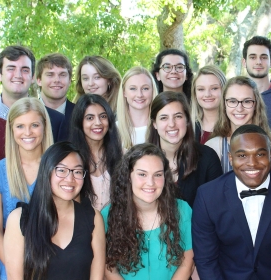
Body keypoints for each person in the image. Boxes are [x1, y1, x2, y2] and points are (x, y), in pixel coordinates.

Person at [193, 124, 271, 279]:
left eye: (260, 154)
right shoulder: (207, 196)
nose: (252, 163)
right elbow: (206, 260)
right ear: (231, 158)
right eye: (242, 155)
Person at [4, 141, 105, 280]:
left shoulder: (93, 218)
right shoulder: (20, 219)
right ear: (47, 171)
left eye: (77, 171)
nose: (70, 179)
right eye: (61, 170)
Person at [0, 97, 54, 279]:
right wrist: (18, 268)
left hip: (54, 263)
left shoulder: (59, 169)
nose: (28, 132)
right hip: (14, 269)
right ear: (11, 129)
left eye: (34, 125)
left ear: (45, 126)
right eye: (20, 126)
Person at [102, 143, 194, 279]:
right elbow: (108, 268)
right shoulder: (107, 215)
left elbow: (187, 263)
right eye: (142, 174)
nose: (150, 183)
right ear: (128, 176)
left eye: (157, 175)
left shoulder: (182, 210)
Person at [147, 91, 223, 207]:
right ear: (154, 124)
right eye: (164, 118)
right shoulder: (140, 160)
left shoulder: (207, 158)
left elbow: (217, 208)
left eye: (178, 116)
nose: (171, 124)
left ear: (187, 120)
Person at [205, 76, 271, 172]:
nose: (239, 108)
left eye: (247, 101)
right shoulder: (213, 147)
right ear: (224, 105)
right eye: (232, 101)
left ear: (256, 105)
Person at [0, 45, 65, 141]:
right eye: (11, 69)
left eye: (25, 70)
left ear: (33, 77)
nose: (18, 75)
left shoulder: (56, 121)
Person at [69, 94, 123, 210]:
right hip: (83, 224)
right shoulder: (70, 158)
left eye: (103, 116)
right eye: (90, 118)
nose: (98, 122)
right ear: (80, 122)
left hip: (116, 223)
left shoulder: (122, 155)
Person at [116, 66, 159, 149]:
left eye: (145, 88)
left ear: (152, 90)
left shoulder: (162, 126)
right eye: (133, 88)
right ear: (124, 92)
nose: (139, 95)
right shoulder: (114, 130)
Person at [37, 53, 74, 142]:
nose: (57, 80)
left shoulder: (81, 114)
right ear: (39, 80)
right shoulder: (25, 114)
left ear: (69, 81)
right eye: (50, 75)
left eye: (62, 74)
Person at [190, 65, 226, 144]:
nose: (207, 94)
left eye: (214, 88)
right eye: (201, 89)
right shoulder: (188, 127)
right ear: (195, 93)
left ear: (224, 90)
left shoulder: (233, 125)